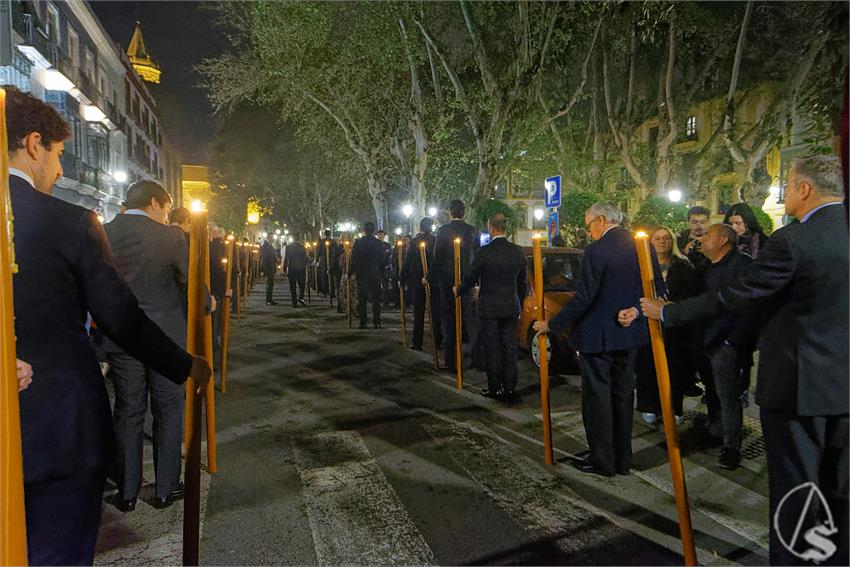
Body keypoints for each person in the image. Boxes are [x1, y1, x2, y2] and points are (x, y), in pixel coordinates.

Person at [4, 85, 210, 565]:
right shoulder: (70, 221)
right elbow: (121, 316)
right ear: (33, 144)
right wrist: (186, 365)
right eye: (57, 155)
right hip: (56, 424)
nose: (58, 170)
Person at [641, 155, 848, 565]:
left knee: (798, 494)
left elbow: (735, 295)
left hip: (798, 388)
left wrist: (667, 311)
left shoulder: (793, 241)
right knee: (842, 496)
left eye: (787, 186)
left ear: (805, 189)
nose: (783, 194)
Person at [533, 202, 662, 477]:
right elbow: (656, 290)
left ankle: (602, 459)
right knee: (624, 397)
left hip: (597, 337)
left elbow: (584, 297)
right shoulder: (644, 246)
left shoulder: (597, 250)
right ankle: (622, 458)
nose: (588, 230)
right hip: (629, 335)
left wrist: (551, 324)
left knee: (597, 401)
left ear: (601, 220)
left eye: (589, 224)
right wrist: (636, 311)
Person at [102, 180, 195, 511]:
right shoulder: (171, 236)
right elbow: (189, 282)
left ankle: (126, 492)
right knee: (168, 409)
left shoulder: (106, 232)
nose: (167, 215)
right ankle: (166, 487)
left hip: (122, 335)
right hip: (164, 336)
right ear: (155, 203)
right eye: (167, 209)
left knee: (128, 410)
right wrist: (208, 303)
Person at [455, 213, 527, 400]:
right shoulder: (517, 251)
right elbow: (522, 283)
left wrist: (459, 290)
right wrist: (519, 302)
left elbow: (471, 277)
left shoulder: (484, 252)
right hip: (510, 306)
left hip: (489, 307)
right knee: (510, 348)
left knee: (492, 348)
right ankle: (510, 386)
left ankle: (495, 386)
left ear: (492, 228)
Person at [635, 227, 701, 425]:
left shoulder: (683, 266)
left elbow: (692, 294)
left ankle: (674, 407)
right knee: (647, 366)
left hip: (675, 327)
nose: (662, 242)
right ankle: (649, 406)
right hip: (647, 324)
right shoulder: (641, 266)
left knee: (675, 368)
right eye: (658, 238)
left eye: (666, 238)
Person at [429, 199, 480, 372]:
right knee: (471, 321)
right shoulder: (473, 231)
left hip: (447, 281)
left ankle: (450, 360)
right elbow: (477, 259)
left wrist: (429, 278)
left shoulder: (443, 231)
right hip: (468, 282)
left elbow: (438, 258)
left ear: (450, 213)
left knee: (449, 322)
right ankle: (477, 357)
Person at [402, 218, 442, 351]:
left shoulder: (414, 242)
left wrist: (402, 278)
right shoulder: (436, 241)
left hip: (419, 281)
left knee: (418, 313)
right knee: (435, 312)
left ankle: (417, 341)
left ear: (421, 228)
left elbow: (407, 261)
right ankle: (437, 339)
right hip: (434, 281)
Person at [350, 221, 385, 329]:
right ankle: (376, 320)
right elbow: (382, 260)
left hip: (362, 274)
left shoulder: (358, 243)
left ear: (364, 230)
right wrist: (381, 273)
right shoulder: (379, 243)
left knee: (362, 300)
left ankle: (363, 321)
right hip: (375, 273)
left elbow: (354, 260)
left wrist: (350, 273)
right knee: (376, 300)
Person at [677, 205, 711, 273]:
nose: (699, 225)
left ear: (708, 222)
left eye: (703, 222)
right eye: (694, 222)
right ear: (688, 222)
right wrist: (685, 254)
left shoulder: (716, 240)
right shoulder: (678, 240)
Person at [284, 238, 309, 307]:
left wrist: (284, 269)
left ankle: (294, 302)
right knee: (301, 285)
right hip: (300, 268)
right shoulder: (302, 247)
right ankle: (301, 297)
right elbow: (305, 258)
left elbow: (286, 259)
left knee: (292, 286)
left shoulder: (288, 247)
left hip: (292, 268)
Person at [260, 233, 279, 305]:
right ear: (268, 238)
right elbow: (264, 259)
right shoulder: (265, 247)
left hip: (271, 268)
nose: (273, 239)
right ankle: (268, 300)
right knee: (269, 284)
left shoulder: (270, 246)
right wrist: (264, 270)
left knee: (271, 284)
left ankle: (270, 299)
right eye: (271, 238)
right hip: (268, 268)